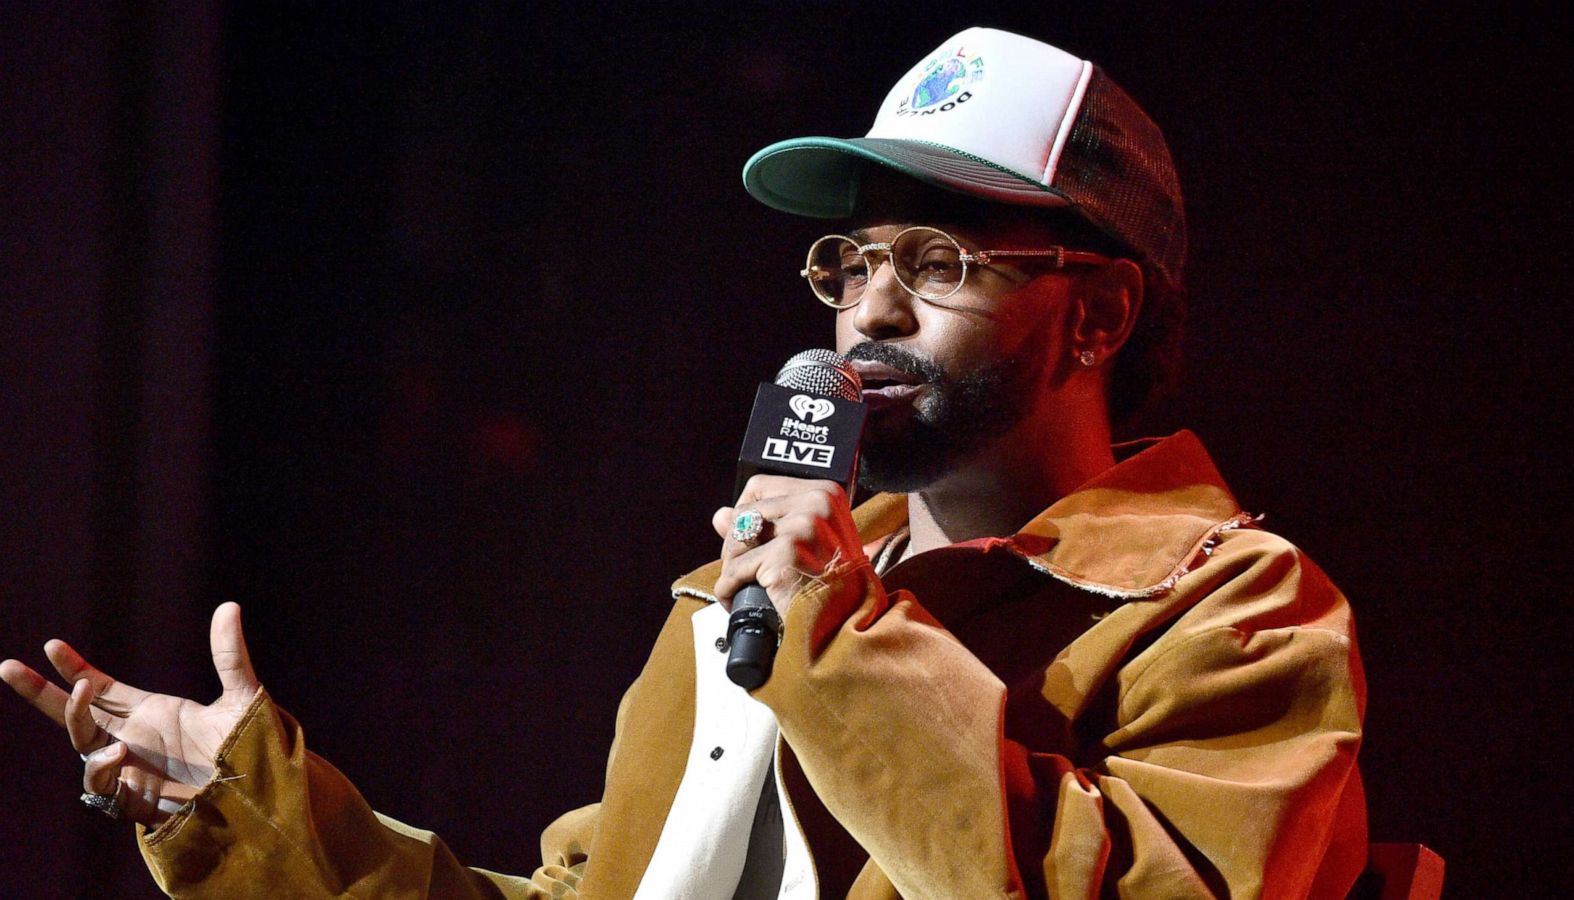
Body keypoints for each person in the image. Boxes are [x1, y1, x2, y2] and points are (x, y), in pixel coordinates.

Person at [1, 27, 1366, 899]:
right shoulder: (740, 599)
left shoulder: (1235, 615)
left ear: (1101, 316)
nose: (869, 313)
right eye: (852, 262)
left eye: (937, 265)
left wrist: (832, 629)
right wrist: (259, 816)